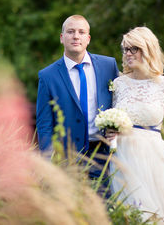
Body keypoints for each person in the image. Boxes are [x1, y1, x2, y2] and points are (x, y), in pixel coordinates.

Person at [108, 27, 164, 224]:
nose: (128, 54)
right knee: (130, 213)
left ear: (148, 50)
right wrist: (110, 130)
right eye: (125, 49)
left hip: (155, 158)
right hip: (123, 156)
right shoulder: (119, 84)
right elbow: (112, 118)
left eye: (133, 49)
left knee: (160, 214)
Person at [36, 15, 119, 184]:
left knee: (105, 206)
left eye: (81, 32)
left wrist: (118, 130)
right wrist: (46, 162)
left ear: (88, 39)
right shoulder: (47, 76)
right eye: (70, 32)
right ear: (62, 37)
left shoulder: (108, 66)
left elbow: (120, 104)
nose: (76, 36)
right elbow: (44, 123)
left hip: (103, 153)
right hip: (67, 157)